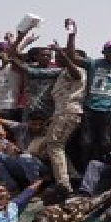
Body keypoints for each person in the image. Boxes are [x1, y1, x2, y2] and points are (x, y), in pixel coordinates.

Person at [67, 19, 111, 163]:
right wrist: (72, 35)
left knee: (106, 143)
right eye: (109, 50)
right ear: (104, 51)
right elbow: (71, 57)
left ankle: (103, 169)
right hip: (91, 107)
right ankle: (84, 170)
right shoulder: (93, 63)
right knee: (86, 142)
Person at [42, 42, 85, 196]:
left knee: (54, 145)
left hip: (68, 112)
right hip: (61, 113)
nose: (58, 58)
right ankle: (73, 175)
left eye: (62, 56)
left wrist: (65, 54)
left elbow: (76, 74)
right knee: (55, 145)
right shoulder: (62, 73)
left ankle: (63, 184)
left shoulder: (76, 70)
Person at [0, 112, 49, 192]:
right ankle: (12, 187)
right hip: (19, 162)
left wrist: (24, 153)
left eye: (40, 124)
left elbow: (46, 157)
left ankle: (35, 189)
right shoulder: (21, 127)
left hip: (38, 166)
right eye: (34, 124)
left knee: (25, 157)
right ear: (28, 122)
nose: (37, 127)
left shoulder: (48, 133)